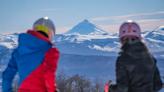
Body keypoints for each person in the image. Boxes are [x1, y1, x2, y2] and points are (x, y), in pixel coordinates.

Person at [2, 17, 60, 92]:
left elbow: (7, 75)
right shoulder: (50, 50)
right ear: (51, 34)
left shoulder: (19, 51)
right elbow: (49, 74)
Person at [105, 20, 163, 92]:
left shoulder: (123, 60)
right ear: (139, 37)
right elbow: (158, 85)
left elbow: (122, 88)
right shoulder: (150, 58)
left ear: (121, 39)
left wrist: (110, 87)